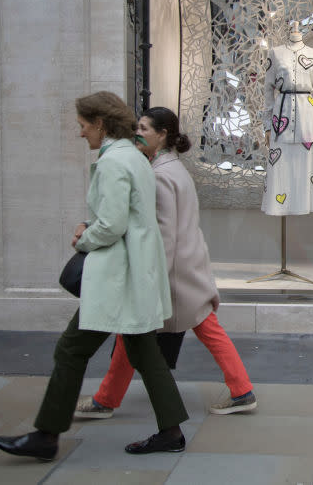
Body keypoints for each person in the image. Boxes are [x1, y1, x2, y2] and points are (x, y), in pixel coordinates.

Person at [0, 92, 188, 461]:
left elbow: (113, 224)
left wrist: (86, 237)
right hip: (133, 274)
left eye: (83, 125)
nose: (80, 133)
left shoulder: (115, 162)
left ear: (100, 123)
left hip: (117, 278)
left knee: (71, 349)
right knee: (145, 354)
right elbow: (127, 217)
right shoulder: (134, 157)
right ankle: (171, 431)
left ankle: (46, 436)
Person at [75, 106, 257, 418]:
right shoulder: (173, 169)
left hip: (173, 272)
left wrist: (150, 275)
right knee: (168, 331)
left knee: (132, 332)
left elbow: (162, 234)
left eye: (144, 129)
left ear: (162, 135)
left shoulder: (159, 175)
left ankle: (105, 400)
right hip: (187, 266)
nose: (137, 134)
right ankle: (241, 390)